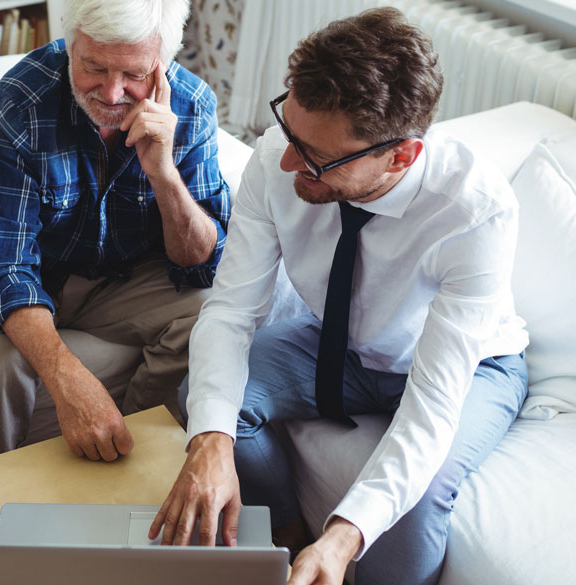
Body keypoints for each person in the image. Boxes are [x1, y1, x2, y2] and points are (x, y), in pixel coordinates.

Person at [151, 8, 530, 585]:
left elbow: (431, 408)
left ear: (399, 156)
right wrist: (211, 441)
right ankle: (286, 534)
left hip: (471, 368)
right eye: (290, 131)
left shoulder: (475, 212)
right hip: (340, 346)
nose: (284, 161)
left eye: (314, 158)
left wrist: (346, 531)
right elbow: (230, 311)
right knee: (209, 405)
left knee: (413, 504)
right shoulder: (278, 157)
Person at [0, 0, 230, 461]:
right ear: (71, 46)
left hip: (125, 282)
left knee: (211, 311)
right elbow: (5, 265)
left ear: (163, 63)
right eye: (94, 67)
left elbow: (202, 266)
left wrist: (163, 173)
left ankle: (134, 452)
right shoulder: (24, 98)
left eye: (135, 75)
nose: (111, 92)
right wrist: (71, 381)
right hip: (38, 274)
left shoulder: (193, 104)